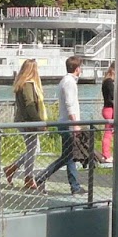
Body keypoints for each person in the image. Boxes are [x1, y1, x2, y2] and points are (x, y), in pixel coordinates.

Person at [37, 55, 85, 195]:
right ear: (77, 69)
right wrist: (75, 124)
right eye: (80, 67)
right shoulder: (70, 82)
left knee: (68, 157)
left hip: (64, 123)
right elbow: (70, 104)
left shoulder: (65, 81)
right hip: (68, 124)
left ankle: (74, 186)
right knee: (67, 157)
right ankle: (41, 178)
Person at [9, 58, 46, 190]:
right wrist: (39, 121)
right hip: (28, 122)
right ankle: (28, 177)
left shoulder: (21, 84)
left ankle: (13, 168)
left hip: (22, 120)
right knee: (33, 149)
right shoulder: (28, 85)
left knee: (34, 149)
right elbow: (30, 105)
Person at [100, 61, 116, 165]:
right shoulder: (109, 82)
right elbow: (113, 97)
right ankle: (106, 154)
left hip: (107, 108)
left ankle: (106, 154)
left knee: (109, 131)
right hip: (110, 109)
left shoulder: (106, 81)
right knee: (109, 132)